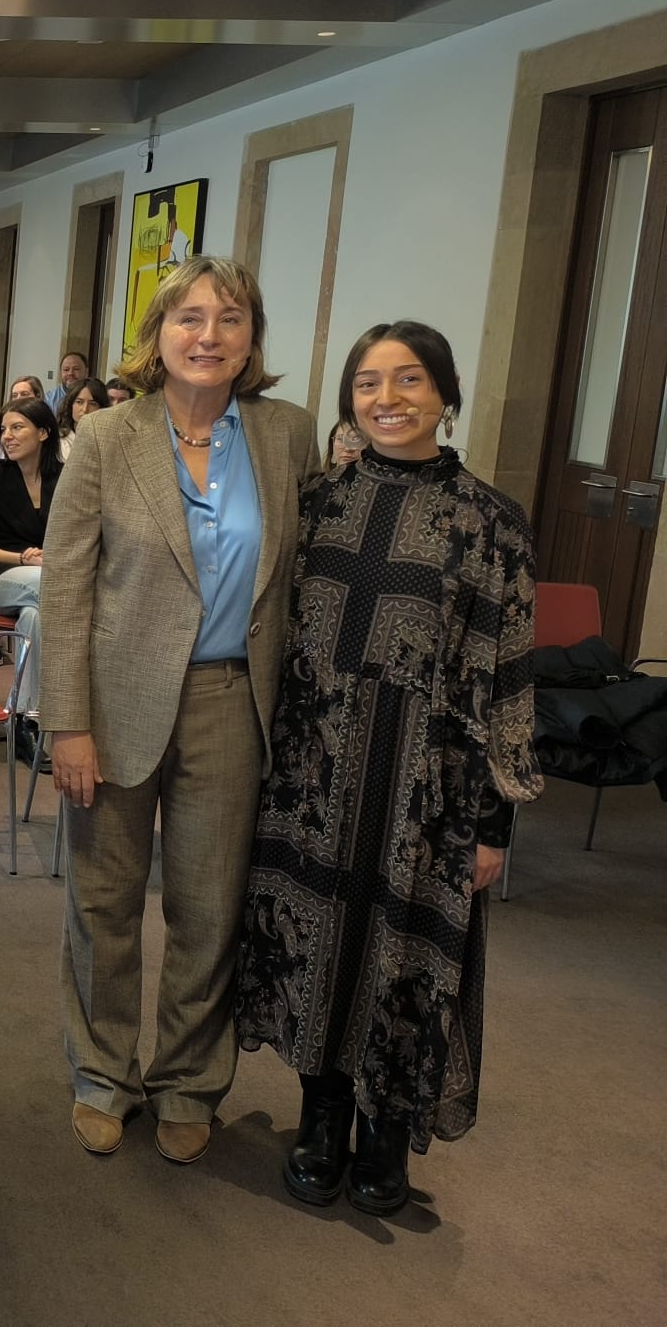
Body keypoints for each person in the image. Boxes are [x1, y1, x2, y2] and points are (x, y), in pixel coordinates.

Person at [234, 322, 540, 1217]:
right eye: (367, 383)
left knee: (403, 953)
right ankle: (321, 1114)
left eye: (409, 380)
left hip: (427, 787)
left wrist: (493, 823)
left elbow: (511, 673)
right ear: (348, 402)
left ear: (446, 393)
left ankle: (384, 1132)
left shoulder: (492, 524)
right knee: (318, 940)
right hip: (313, 775)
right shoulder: (315, 501)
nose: (388, 399)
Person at [39, 255, 316, 1166]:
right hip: (114, 706)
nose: (208, 335)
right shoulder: (109, 438)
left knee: (209, 908)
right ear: (158, 335)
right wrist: (66, 723)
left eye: (229, 319)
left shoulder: (285, 435)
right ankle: (104, 1074)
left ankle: (191, 1080)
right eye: (189, 318)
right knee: (105, 902)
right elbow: (68, 588)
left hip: (233, 700)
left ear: (251, 339)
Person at [0, 395, 61, 766]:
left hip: (47, 577)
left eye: (17, 427)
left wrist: (49, 559)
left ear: (43, 432)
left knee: (36, 618)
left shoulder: (65, 477)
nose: (7, 436)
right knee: (48, 586)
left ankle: (25, 718)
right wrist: (25, 557)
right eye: (4, 429)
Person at [60, 377, 110, 449]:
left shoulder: (108, 441)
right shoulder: (58, 439)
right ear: (70, 405)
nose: (85, 409)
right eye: (79, 402)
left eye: (92, 404)